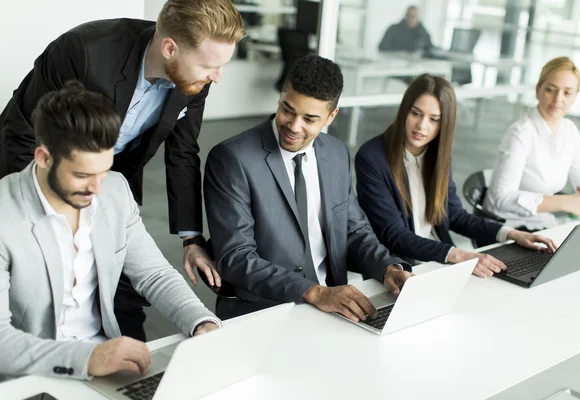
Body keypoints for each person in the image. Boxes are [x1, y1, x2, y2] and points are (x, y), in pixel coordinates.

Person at [0, 0, 245, 341]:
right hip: (44, 176)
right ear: (170, 48)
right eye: (208, 66)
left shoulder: (194, 79)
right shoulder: (85, 51)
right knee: (43, 293)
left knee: (123, 290)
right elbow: (22, 130)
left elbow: (183, 151)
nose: (216, 78)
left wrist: (192, 239)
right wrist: (34, 212)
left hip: (114, 180)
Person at [0, 82, 220, 380]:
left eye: (103, 170)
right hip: (34, 375)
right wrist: (88, 358)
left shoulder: (114, 190)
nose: (97, 188)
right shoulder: (5, 215)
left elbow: (153, 274)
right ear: (43, 157)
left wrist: (201, 322)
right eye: (82, 175)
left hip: (107, 368)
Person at [204, 55, 413, 320]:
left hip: (332, 305)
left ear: (331, 116)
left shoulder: (336, 154)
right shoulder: (232, 159)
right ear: (280, 97)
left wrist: (387, 268)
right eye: (287, 110)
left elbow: (354, 230)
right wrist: (314, 293)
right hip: (264, 311)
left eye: (310, 119)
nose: (293, 126)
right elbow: (236, 257)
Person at [355, 74, 557, 278]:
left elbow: (454, 215)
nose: (422, 126)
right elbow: (394, 235)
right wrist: (460, 256)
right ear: (404, 111)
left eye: (434, 119)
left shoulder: (438, 156)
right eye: (416, 113)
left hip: (441, 263)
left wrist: (510, 234)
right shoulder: (372, 157)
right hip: (401, 270)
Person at [483, 57, 580, 231]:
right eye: (551, 90)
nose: (558, 99)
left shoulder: (569, 131)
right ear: (538, 90)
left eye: (567, 93)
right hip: (506, 226)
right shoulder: (521, 132)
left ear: (576, 96)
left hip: (541, 222)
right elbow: (501, 200)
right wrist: (567, 202)